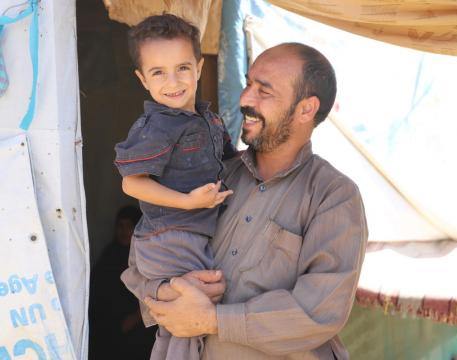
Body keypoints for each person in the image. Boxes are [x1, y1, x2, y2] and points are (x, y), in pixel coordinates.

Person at [122, 42, 368, 359]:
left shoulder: (333, 195)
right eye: (248, 84)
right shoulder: (211, 174)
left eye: (263, 91)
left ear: (306, 109)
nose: (245, 99)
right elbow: (139, 265)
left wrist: (212, 320)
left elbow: (318, 311)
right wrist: (170, 289)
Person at [113, 14, 236, 360]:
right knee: (191, 316)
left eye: (182, 68)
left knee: (184, 323)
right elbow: (131, 183)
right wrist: (187, 201)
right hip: (170, 236)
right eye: (158, 73)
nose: (173, 82)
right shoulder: (157, 126)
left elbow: (234, 161)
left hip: (188, 234)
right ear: (142, 79)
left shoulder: (207, 119)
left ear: (198, 67)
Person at [89, 206, 156, 360]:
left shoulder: (147, 257)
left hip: (140, 327)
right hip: (111, 328)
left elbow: (155, 291)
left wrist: (136, 317)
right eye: (120, 226)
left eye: (129, 226)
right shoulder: (109, 255)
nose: (124, 231)